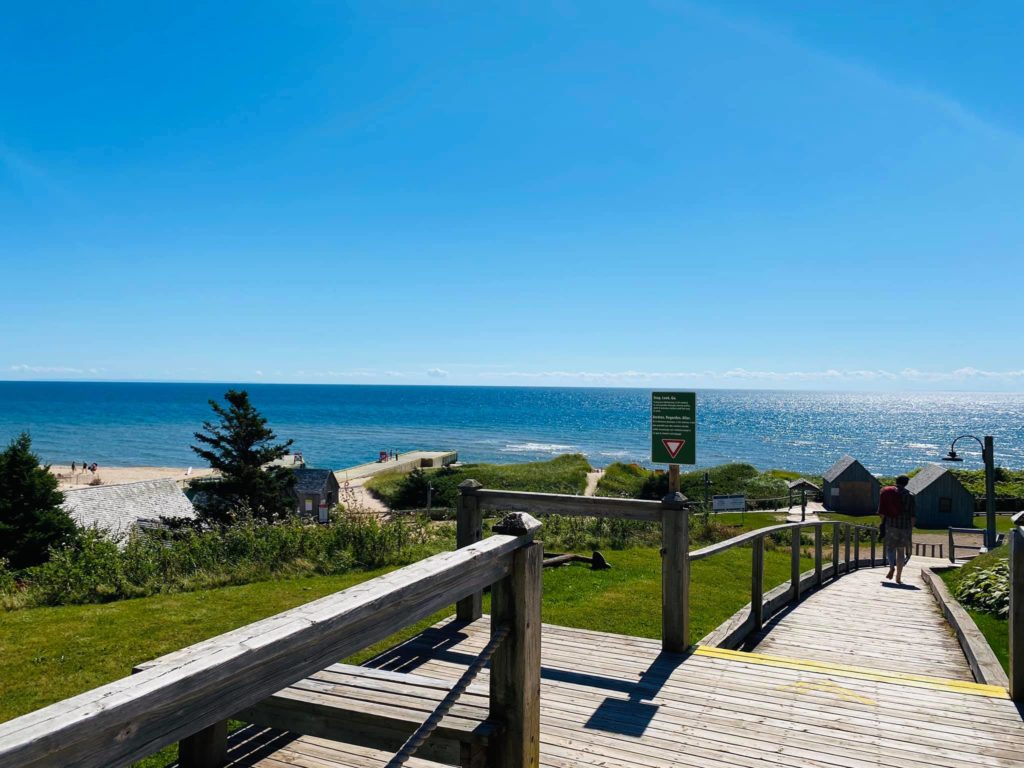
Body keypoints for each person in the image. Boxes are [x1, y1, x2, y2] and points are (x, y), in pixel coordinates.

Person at [879, 475, 915, 584]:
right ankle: (898, 577)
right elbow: (913, 516)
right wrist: (910, 529)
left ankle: (891, 567)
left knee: (890, 549)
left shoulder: (888, 493)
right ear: (906, 483)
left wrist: (883, 522)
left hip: (891, 525)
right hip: (905, 527)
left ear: (896, 481)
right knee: (901, 551)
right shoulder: (910, 496)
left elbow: (881, 512)